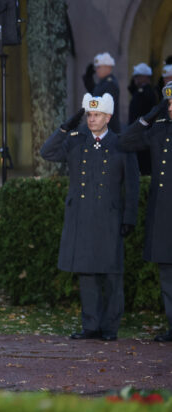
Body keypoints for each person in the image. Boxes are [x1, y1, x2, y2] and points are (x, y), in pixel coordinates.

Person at [41, 93, 139, 341]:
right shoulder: (76, 140)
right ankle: (91, 325)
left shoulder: (121, 143)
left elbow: (132, 186)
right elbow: (47, 152)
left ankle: (110, 328)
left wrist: (129, 218)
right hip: (81, 217)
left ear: (108, 117)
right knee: (87, 275)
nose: (92, 119)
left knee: (111, 275)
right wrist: (67, 126)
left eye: (96, 115)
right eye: (88, 115)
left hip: (109, 219)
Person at [119, 83, 172, 342]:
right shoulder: (158, 129)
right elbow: (125, 141)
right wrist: (150, 116)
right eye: (169, 104)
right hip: (162, 215)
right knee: (167, 276)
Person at [127, 63, 157, 175]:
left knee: (144, 165)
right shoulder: (140, 91)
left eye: (138, 76)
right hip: (138, 134)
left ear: (145, 77)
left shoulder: (147, 92)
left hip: (143, 134)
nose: (135, 79)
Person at [82, 52, 121, 133]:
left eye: (99, 67)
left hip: (108, 129)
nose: (96, 70)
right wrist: (88, 78)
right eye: (96, 67)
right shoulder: (103, 82)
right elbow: (94, 92)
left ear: (108, 67)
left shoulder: (110, 84)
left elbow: (107, 109)